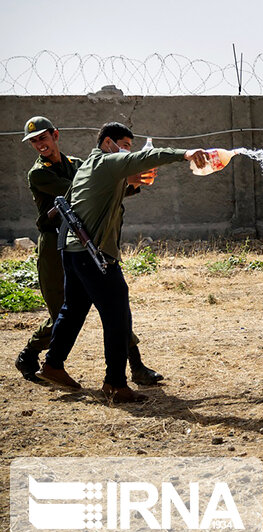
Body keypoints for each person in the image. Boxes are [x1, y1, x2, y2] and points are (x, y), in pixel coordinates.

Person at [36, 122, 212, 403]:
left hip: (73, 250)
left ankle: (53, 365)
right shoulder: (106, 161)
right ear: (108, 143)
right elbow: (142, 159)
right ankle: (115, 384)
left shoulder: (92, 166)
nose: (127, 152)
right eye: (125, 146)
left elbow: (109, 190)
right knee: (117, 316)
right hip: (92, 254)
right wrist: (186, 153)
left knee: (73, 310)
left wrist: (132, 182)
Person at [15, 116, 165, 385]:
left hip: (85, 241)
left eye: (43, 138)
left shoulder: (77, 164)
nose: (40, 144)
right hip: (54, 245)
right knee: (64, 311)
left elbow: (102, 191)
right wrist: (123, 178)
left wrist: (132, 183)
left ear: (55, 135)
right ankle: (30, 354)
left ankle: (137, 366)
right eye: (34, 141)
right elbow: (79, 192)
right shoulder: (38, 173)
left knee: (113, 305)